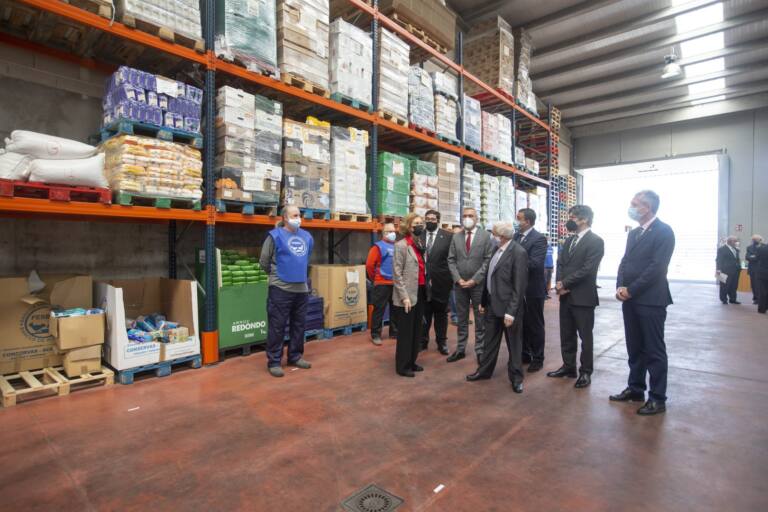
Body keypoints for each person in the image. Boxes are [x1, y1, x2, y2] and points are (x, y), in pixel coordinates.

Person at [610, 190, 675, 416]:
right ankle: (636, 388)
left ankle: (657, 398)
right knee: (634, 346)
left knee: (653, 350)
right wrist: (620, 286)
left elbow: (657, 268)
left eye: (634, 204)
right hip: (630, 298)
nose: (631, 207)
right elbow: (625, 261)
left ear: (647, 207)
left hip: (650, 300)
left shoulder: (664, 231)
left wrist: (631, 290)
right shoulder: (634, 233)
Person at [465, 222, 528, 393]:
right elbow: (489, 277)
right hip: (493, 305)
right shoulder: (496, 250)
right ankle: (484, 371)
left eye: (493, 233)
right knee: (489, 342)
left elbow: (519, 285)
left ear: (502, 235)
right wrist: (484, 302)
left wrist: (511, 312)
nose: (492, 236)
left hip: (509, 309)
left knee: (514, 344)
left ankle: (516, 378)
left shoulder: (518, 252)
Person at [546, 205, 605, 389]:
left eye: (572, 217)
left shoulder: (596, 241)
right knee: (567, 334)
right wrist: (559, 283)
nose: (569, 219)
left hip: (583, 296)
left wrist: (565, 283)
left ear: (584, 219)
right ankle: (568, 366)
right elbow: (560, 263)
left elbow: (588, 269)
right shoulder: (569, 241)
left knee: (585, 337)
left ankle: (585, 372)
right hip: (566, 296)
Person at [260, 205, 314, 378]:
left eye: (299, 215)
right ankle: (274, 361)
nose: (298, 218)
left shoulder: (307, 237)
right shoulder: (275, 236)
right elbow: (264, 261)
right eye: (294, 215)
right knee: (277, 326)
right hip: (280, 288)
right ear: (284, 218)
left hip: (301, 289)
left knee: (299, 325)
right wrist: (275, 276)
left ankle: (295, 356)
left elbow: (305, 259)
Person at [447, 207, 495, 363]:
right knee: (461, 318)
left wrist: (475, 279)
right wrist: (457, 279)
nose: (467, 218)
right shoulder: (456, 237)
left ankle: (480, 350)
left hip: (478, 285)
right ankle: (460, 349)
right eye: (465, 215)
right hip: (460, 285)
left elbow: (488, 260)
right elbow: (451, 259)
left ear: (477, 218)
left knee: (480, 318)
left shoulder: (486, 236)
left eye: (470, 216)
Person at [392, 213, 428, 377]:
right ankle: (402, 366)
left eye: (421, 223)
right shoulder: (401, 245)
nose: (419, 226)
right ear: (408, 226)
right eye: (416, 224)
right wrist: (404, 296)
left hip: (420, 291)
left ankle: (412, 361)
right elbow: (397, 273)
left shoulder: (419, 243)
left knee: (416, 329)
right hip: (407, 294)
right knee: (406, 332)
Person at [514, 208, 548, 372]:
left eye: (519, 218)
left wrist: (512, 265)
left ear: (527, 221)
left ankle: (538, 357)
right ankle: (525, 353)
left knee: (535, 324)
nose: (516, 221)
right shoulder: (516, 237)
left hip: (532, 289)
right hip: (518, 288)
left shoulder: (538, 239)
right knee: (521, 323)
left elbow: (535, 263)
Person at [420, 210, 453, 355]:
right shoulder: (418, 235)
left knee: (441, 314)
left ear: (438, 220)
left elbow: (452, 260)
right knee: (424, 313)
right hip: (422, 282)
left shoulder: (448, 237)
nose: (429, 221)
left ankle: (442, 342)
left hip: (441, 283)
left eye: (433, 219)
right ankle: (422, 341)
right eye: (427, 219)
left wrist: (450, 279)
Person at [366, 223, 398, 346]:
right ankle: (376, 334)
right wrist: (375, 278)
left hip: (395, 283)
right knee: (379, 309)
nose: (393, 233)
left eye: (394, 231)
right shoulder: (378, 247)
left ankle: (394, 332)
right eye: (389, 231)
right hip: (381, 283)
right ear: (384, 233)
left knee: (395, 309)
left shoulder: (397, 246)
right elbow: (369, 265)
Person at [716, 236, 742, 305]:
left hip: (735, 271)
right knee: (724, 286)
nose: (736, 243)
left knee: (734, 286)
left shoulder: (736, 249)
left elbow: (737, 259)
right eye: (735, 241)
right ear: (730, 241)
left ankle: (733, 299)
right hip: (725, 270)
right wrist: (718, 269)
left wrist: (739, 267)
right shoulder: (722, 249)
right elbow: (718, 260)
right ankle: (724, 299)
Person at [746, 235, 763, 304]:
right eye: (753, 239)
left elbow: (762, 257)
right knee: (754, 285)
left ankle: (761, 298)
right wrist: (756, 257)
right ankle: (756, 298)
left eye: (756, 239)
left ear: (760, 240)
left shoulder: (764, 247)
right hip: (753, 269)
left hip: (762, 269)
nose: (754, 241)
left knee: (762, 285)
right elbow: (747, 257)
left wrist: (754, 256)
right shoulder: (749, 247)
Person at [755, 240, 768, 314]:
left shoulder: (761, 248)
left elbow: (757, 258)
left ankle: (762, 309)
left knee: (762, 291)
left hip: (762, 272)